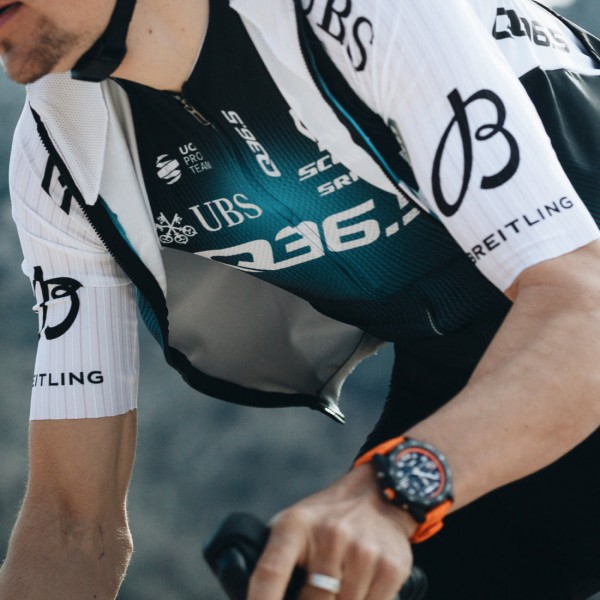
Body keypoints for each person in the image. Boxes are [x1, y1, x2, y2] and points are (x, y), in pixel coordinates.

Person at [1, 0, 600, 598]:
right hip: (466, 378)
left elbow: (583, 307)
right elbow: (70, 524)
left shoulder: (367, 13)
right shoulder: (62, 150)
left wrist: (389, 493)